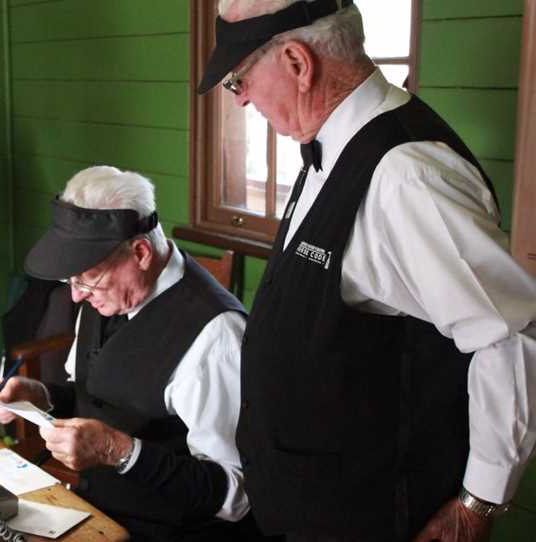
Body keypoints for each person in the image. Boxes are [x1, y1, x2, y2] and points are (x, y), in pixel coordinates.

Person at [197, 1, 536, 541]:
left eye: (240, 78)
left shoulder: (407, 177)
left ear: (297, 62)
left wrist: (478, 503)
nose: (238, 98)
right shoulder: (327, 145)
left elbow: (511, 334)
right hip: (307, 506)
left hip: (373, 515)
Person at [0, 166, 277, 541]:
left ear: (140, 252)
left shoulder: (215, 337)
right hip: (98, 516)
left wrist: (116, 451)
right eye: (71, 280)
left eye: (87, 278)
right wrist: (40, 397)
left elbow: (238, 494)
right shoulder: (104, 297)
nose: (76, 295)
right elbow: (94, 397)